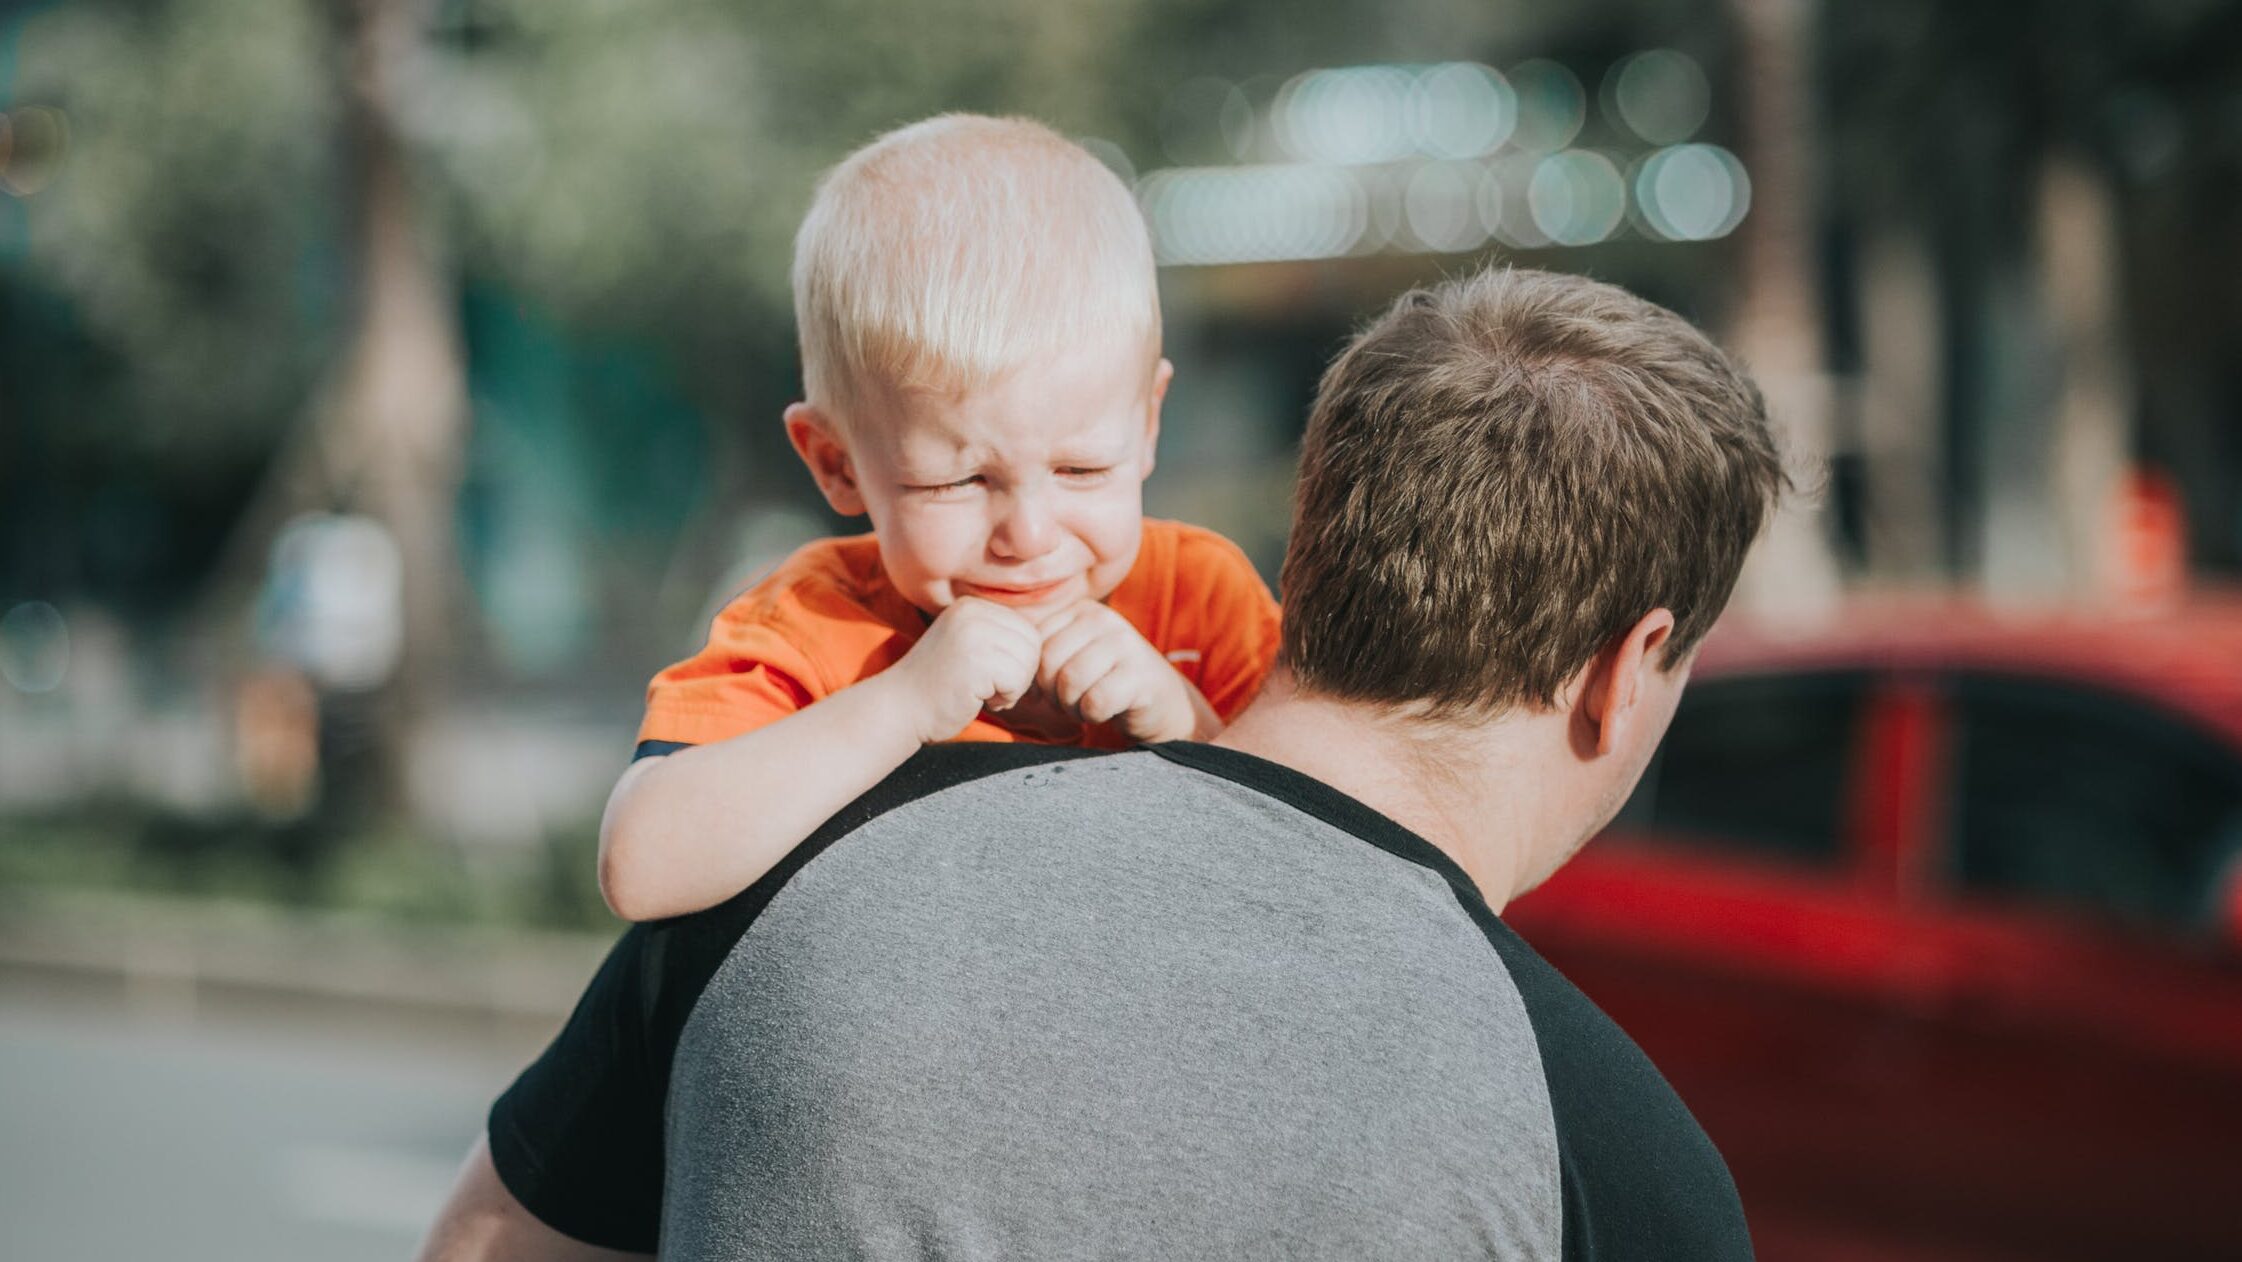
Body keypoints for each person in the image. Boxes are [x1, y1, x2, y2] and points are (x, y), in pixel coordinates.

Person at [418, 266, 1785, 1260]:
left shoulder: (785, 879)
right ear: (1624, 666)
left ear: (1308, 546)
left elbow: (482, 1244)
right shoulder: (1617, 1163)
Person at [596, 113, 1282, 922]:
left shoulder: (1201, 599)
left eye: (1081, 469)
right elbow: (643, 868)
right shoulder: (814, 625)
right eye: (955, 482)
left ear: (1149, 424)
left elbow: (1331, 865)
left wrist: (1186, 722)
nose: (1028, 536)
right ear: (835, 463)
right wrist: (900, 704)